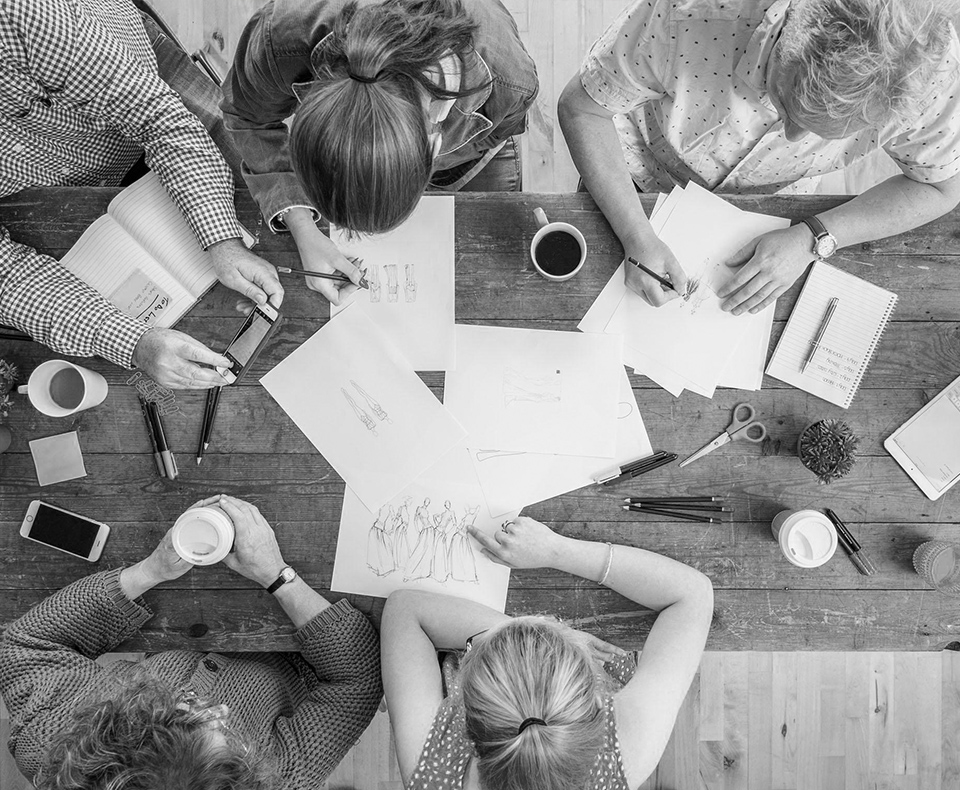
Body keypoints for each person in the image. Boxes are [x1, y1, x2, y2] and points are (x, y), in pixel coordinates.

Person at [558, 0, 960, 313]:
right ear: (787, 35)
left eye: (823, 134)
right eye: (784, 103)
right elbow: (582, 108)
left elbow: (942, 188)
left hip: (776, 211)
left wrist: (814, 237)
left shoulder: (930, 76)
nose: (792, 137)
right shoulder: (688, 13)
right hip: (637, 175)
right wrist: (636, 235)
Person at [0, 495, 382, 790]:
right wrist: (276, 575)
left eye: (185, 714)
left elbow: (27, 643)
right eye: (230, 739)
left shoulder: (59, 745)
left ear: (119, 729)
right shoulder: (281, 777)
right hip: (300, 658)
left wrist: (150, 570)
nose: (221, 710)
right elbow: (361, 674)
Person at [0, 0, 285, 389]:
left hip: (140, 77)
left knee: (269, 194)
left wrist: (223, 240)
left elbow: (157, 118)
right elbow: (5, 277)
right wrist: (133, 342)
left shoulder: (16, 13)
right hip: (57, 186)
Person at [221, 0, 538, 305]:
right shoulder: (278, 37)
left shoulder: (511, 82)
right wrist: (303, 227)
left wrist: (405, 168)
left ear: (436, 148)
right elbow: (247, 118)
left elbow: (498, 133)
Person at [381, 516, 713, 789]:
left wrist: (520, 632)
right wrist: (557, 551)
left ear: (465, 721)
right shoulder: (626, 750)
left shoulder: (432, 772)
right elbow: (692, 595)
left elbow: (404, 609)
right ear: (599, 702)